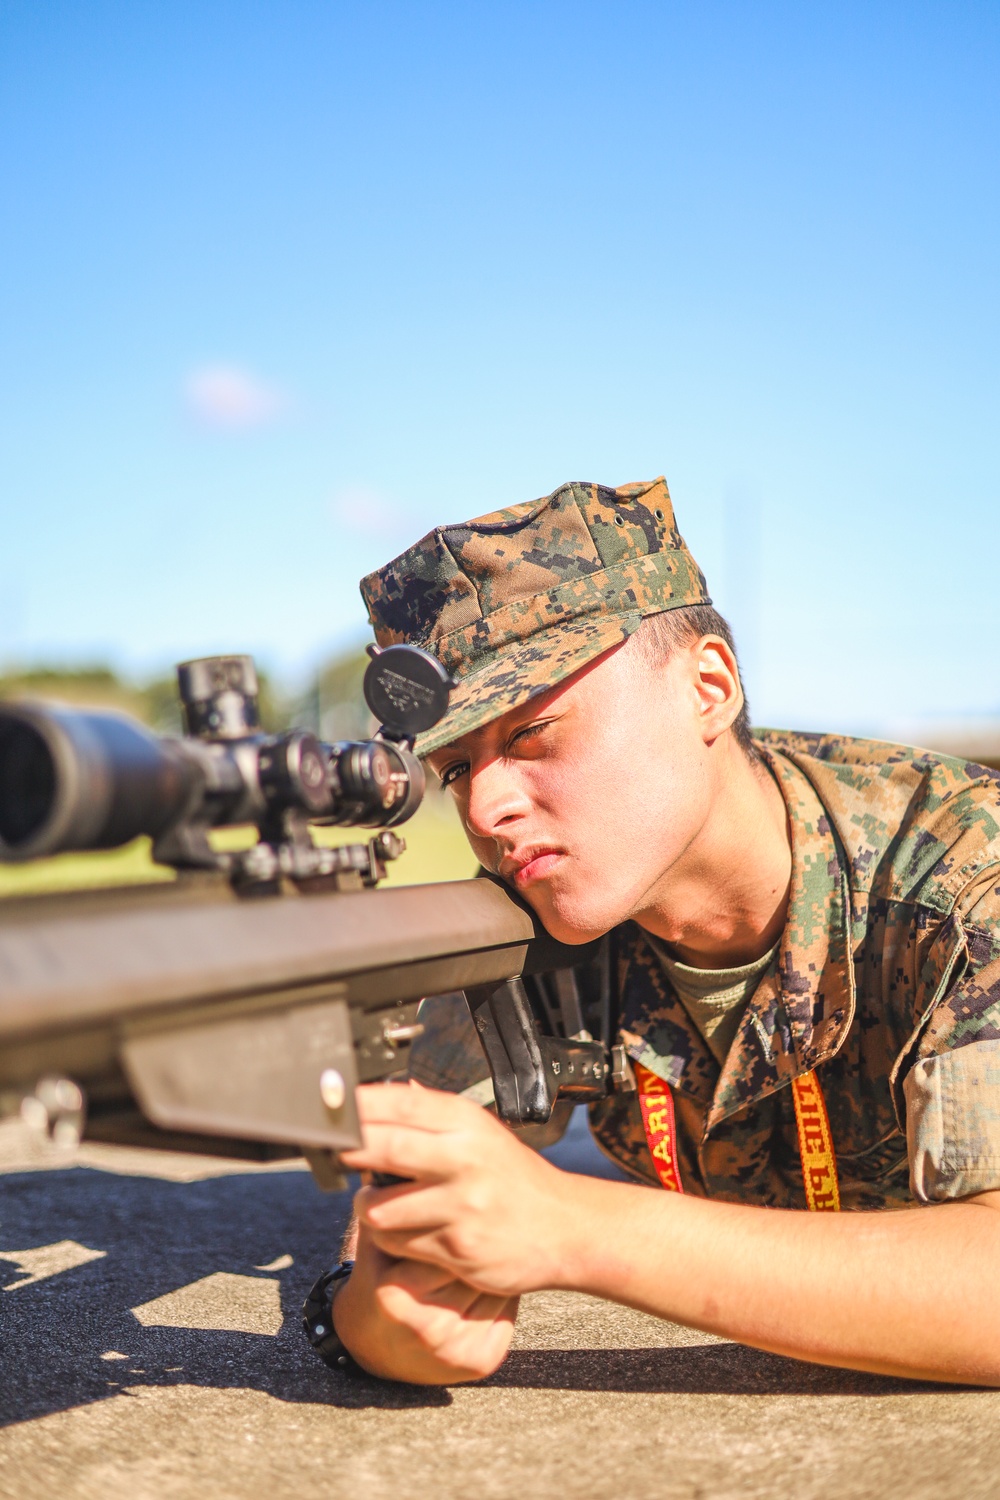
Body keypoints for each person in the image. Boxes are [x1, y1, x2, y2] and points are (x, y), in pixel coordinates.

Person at [327, 476, 1000, 1386]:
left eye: (531, 736)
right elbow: (395, 1242)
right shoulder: (521, 923)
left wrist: (575, 1229)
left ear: (708, 688)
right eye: (454, 769)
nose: (485, 808)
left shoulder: (963, 881)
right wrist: (388, 1322)